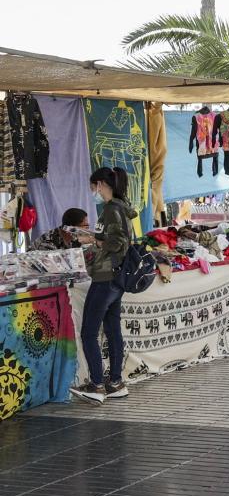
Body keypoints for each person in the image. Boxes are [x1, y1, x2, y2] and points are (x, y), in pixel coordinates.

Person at [70, 167, 137, 404]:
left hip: (106, 276)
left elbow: (118, 242)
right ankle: (115, 382)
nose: (92, 192)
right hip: (116, 278)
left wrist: (92, 240)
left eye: (92, 186)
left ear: (100, 184)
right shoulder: (120, 207)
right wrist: (96, 237)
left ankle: (97, 385)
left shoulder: (111, 209)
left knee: (89, 331)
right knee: (111, 329)